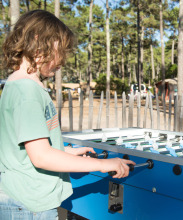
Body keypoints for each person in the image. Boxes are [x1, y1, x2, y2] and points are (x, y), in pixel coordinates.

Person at [0, 10, 135, 220]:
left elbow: (28, 149)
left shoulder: (19, 84)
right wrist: (103, 165)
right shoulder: (27, 91)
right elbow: (41, 157)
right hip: (29, 205)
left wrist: (66, 151)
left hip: (23, 200)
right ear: (39, 41)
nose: (63, 58)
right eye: (60, 50)